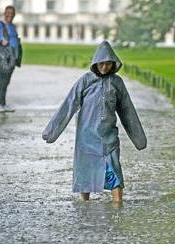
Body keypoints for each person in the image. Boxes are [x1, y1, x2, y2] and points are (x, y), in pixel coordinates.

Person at [42, 41, 147, 202]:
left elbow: (127, 111)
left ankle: (117, 208)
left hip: (108, 137)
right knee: (85, 175)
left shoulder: (117, 83)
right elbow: (68, 105)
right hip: (86, 137)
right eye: (101, 64)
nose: (104, 68)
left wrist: (139, 139)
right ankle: (84, 208)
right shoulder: (85, 81)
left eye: (108, 64)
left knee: (114, 171)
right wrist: (51, 132)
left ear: (113, 64)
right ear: (96, 64)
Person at [0, 5, 22, 113]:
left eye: (12, 13)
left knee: (6, 81)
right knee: (1, 80)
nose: (9, 15)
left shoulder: (12, 26)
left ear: (14, 15)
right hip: (3, 58)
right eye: (8, 13)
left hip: (12, 59)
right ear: (4, 13)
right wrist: (0, 41)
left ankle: (3, 104)